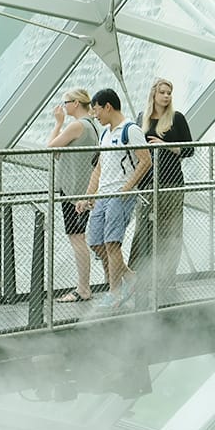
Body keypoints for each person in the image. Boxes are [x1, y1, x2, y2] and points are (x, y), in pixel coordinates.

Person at [77, 88, 151, 310]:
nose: (95, 115)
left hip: (120, 195)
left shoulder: (131, 130)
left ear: (107, 107)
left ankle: (115, 293)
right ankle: (131, 277)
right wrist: (88, 196)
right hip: (103, 196)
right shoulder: (105, 133)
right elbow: (99, 168)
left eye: (96, 110)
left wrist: (126, 189)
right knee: (96, 242)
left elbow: (145, 161)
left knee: (112, 243)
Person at [129, 78, 193, 297]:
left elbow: (189, 150)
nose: (166, 96)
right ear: (154, 95)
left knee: (171, 232)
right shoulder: (141, 119)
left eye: (169, 93)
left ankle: (167, 279)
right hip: (147, 183)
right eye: (163, 92)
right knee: (143, 231)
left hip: (172, 183)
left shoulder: (177, 119)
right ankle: (139, 277)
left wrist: (165, 146)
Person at [46, 87, 100, 303]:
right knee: (78, 237)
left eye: (66, 102)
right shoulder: (92, 126)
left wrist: (58, 123)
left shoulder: (77, 125)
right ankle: (84, 286)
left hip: (74, 192)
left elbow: (50, 148)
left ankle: (83, 288)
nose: (63, 106)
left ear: (75, 103)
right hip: (84, 189)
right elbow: (59, 152)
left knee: (77, 238)